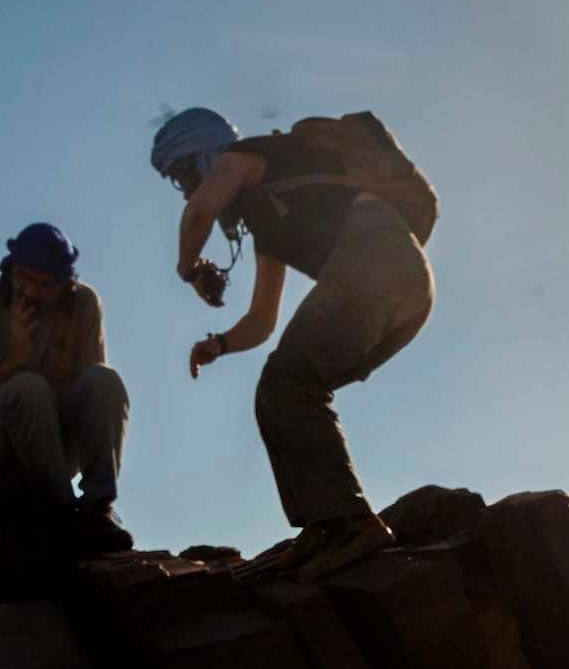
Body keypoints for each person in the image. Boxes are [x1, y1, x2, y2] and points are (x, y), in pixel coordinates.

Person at [150, 107, 435, 580]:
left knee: (288, 384)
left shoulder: (245, 155)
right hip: (405, 289)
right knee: (280, 389)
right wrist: (218, 345)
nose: (185, 187)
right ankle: (326, 523)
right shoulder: (268, 225)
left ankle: (351, 522)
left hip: (378, 257)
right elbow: (262, 320)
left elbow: (199, 211)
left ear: (205, 153)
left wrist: (188, 270)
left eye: (183, 172)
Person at [0, 223, 132, 552]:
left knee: (104, 379)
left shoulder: (84, 304)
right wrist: (19, 359)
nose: (30, 291)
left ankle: (96, 509)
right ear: (9, 270)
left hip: (59, 447)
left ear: (65, 285)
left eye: (44, 285)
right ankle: (61, 510)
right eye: (22, 278)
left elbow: (90, 393)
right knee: (28, 387)